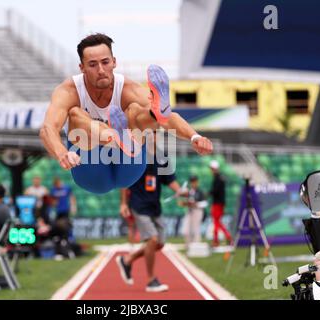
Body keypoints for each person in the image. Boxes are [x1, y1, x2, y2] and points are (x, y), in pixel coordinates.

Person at [39, 33, 213, 194]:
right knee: (76, 114)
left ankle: (126, 132)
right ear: (81, 67)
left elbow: (167, 119)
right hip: (91, 170)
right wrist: (62, 154)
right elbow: (48, 129)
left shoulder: (129, 89)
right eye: (93, 64)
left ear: (114, 62)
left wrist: (194, 137)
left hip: (129, 165)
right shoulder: (69, 91)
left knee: (136, 110)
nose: (100, 70)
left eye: (105, 62)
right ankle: (114, 136)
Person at [116, 152, 185, 293]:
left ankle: (127, 260)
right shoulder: (133, 155)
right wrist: (123, 203)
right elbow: (124, 181)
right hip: (139, 205)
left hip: (155, 206)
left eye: (154, 132)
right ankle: (150, 280)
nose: (151, 135)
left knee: (159, 244)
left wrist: (180, 190)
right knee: (152, 239)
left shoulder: (161, 157)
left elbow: (169, 179)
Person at [178, 176, 207, 247]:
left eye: (194, 181)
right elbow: (187, 201)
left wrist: (196, 204)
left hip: (197, 211)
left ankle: (196, 245)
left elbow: (204, 203)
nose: (193, 183)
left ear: (197, 182)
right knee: (186, 229)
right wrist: (184, 203)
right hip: (190, 211)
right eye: (192, 182)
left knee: (196, 229)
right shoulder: (189, 192)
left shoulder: (200, 192)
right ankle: (188, 244)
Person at [209, 160, 232, 247]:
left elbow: (215, 191)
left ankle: (217, 240)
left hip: (217, 204)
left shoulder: (218, 179)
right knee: (217, 222)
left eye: (212, 169)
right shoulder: (219, 178)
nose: (211, 171)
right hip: (219, 203)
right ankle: (223, 238)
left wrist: (208, 194)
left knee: (216, 222)